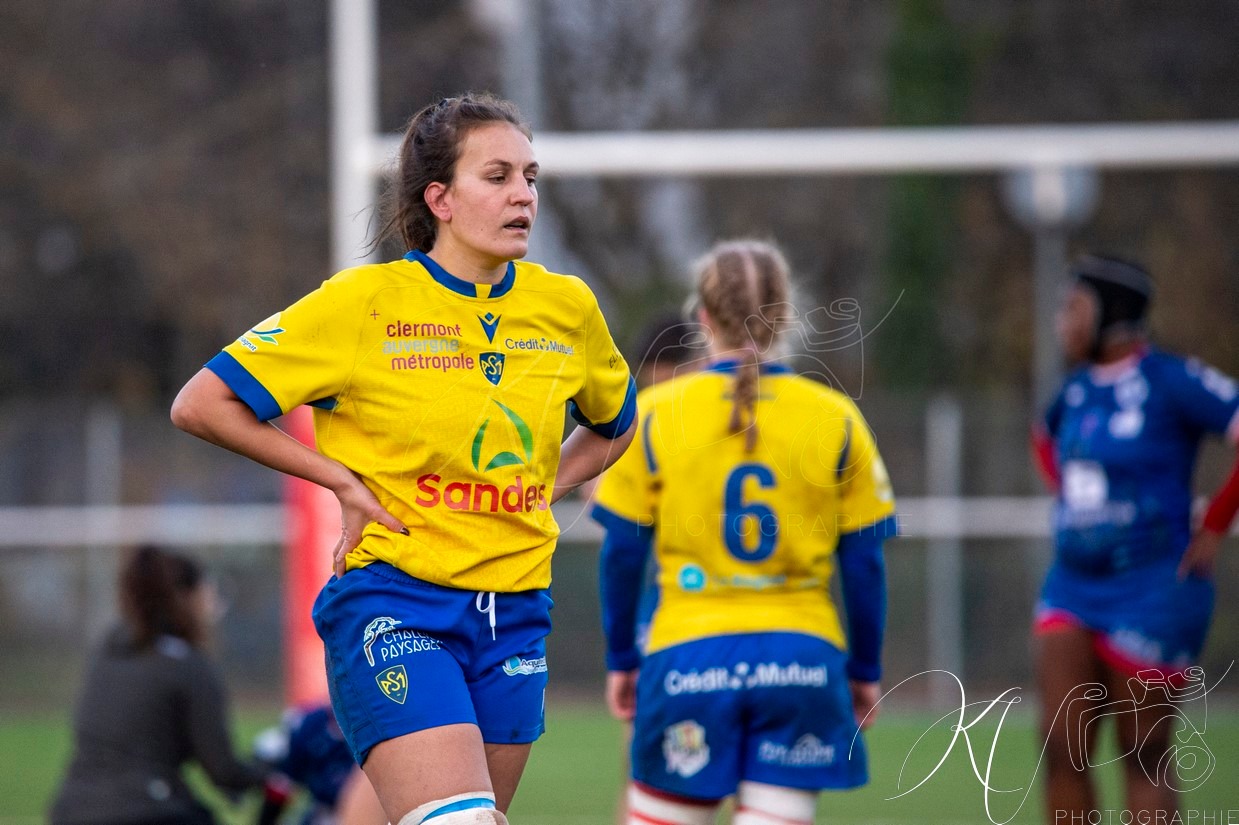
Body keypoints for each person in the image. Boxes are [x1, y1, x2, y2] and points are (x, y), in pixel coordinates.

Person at [171, 92, 636, 825]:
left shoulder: (567, 308)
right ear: (440, 198)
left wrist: (543, 484)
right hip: (396, 603)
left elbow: (617, 424)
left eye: (531, 176)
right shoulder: (363, 303)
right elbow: (201, 403)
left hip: (515, 615)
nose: (524, 194)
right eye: (498, 176)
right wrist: (338, 480)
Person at [591, 239, 897, 825]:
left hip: (688, 657)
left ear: (702, 318)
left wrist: (623, 661)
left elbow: (622, 555)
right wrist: (862, 672)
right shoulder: (835, 417)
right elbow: (865, 565)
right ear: (787, 316)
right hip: (803, 662)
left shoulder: (653, 413)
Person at [1030, 254, 1239, 823]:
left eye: (1072, 307)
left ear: (1112, 314)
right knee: (1060, 744)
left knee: (1142, 752)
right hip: (1073, 584)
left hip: (1154, 587)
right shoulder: (1073, 392)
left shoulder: (1171, 381)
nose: (1061, 321)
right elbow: (1042, 439)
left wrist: (1216, 522)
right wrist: (1073, 502)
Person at [49, 545, 268, 825]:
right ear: (188, 599)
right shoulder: (188, 665)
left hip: (71, 809)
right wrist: (268, 772)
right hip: (149, 811)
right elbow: (223, 770)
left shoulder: (107, 651)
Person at [253, 703, 385, 825]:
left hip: (373, 813)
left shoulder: (382, 726)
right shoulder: (313, 725)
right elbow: (284, 782)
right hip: (324, 812)